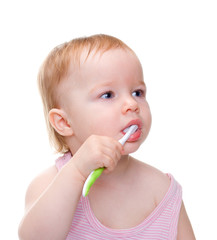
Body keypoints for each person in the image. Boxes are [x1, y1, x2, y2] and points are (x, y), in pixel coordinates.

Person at [18, 34, 195, 239]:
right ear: (64, 123)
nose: (132, 104)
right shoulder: (48, 184)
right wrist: (76, 171)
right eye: (108, 95)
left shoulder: (163, 190)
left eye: (138, 92)